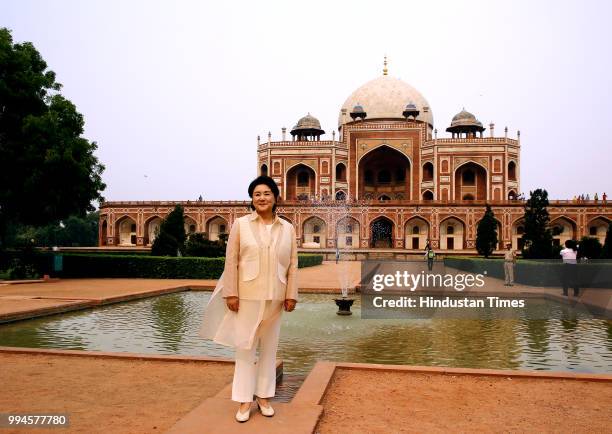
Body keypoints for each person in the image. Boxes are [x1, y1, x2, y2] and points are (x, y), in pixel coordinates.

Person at [199, 176, 298, 423]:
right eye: (256, 194)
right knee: (245, 348)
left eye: (266, 193)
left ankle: (264, 397)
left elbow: (293, 265)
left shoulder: (287, 228)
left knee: (269, 349)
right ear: (252, 199)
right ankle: (244, 400)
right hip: (246, 296)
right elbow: (231, 261)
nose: (261, 198)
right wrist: (230, 292)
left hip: (275, 296)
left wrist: (291, 294)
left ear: (276, 198)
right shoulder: (241, 225)